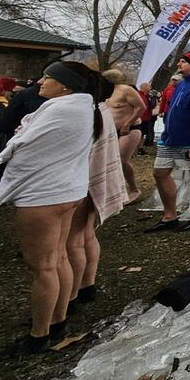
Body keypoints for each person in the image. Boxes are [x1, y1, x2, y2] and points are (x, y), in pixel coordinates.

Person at [0, 61, 106, 355]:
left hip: (43, 195)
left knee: (43, 266)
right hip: (68, 191)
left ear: (65, 86)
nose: (41, 82)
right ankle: (57, 321)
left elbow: (22, 147)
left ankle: (38, 335)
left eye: (49, 77)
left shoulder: (60, 110)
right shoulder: (84, 109)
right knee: (58, 258)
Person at [65, 78, 127, 316]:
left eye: (49, 77)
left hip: (81, 182)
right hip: (90, 179)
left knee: (73, 241)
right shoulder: (101, 110)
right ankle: (86, 285)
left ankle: (69, 296)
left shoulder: (87, 113)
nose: (41, 82)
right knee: (86, 234)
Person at [148, 52, 190, 233]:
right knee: (160, 172)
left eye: (183, 61)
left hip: (189, 140)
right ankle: (170, 216)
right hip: (169, 138)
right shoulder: (182, 83)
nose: (179, 63)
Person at [102, 70, 146, 204]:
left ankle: (134, 190)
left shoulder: (125, 90)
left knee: (121, 159)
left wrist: (127, 123)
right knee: (107, 161)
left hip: (130, 130)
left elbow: (141, 107)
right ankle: (114, 191)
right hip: (110, 130)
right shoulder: (104, 92)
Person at [137, 82, 159, 153]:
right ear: (144, 87)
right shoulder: (138, 95)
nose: (150, 88)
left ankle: (140, 148)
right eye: (149, 87)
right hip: (140, 118)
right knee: (139, 133)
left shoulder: (148, 96)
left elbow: (151, 105)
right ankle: (136, 148)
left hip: (147, 118)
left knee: (143, 133)